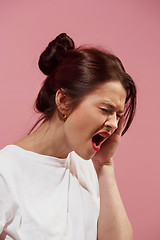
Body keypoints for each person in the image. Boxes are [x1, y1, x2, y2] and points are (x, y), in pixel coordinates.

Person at [0, 33, 136, 240]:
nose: (114, 124)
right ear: (63, 100)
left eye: (118, 115)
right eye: (106, 109)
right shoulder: (6, 173)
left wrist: (105, 166)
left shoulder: (86, 166)